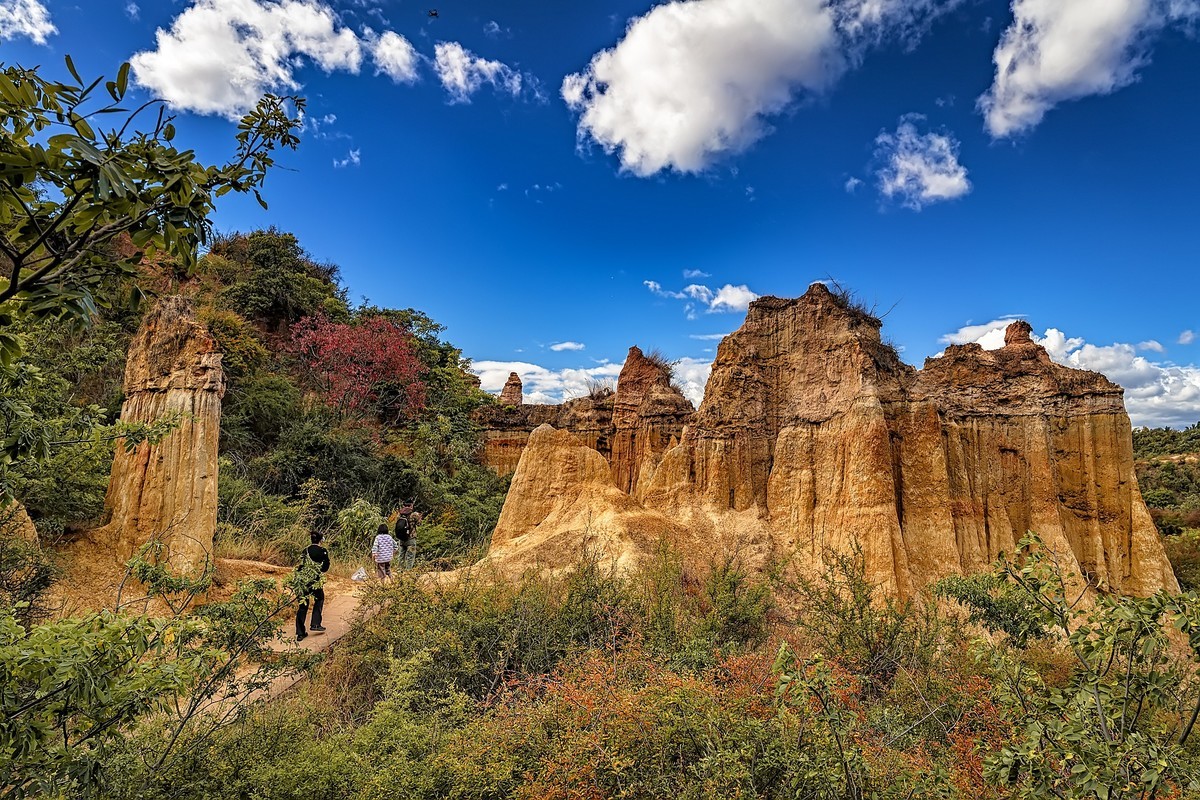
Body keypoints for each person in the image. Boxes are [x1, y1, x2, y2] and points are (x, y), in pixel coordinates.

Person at [296, 531, 330, 642]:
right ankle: (315, 623)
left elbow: (300, 564)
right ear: (321, 540)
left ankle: (300, 633)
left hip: (302, 581)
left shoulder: (305, 551)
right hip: (314, 581)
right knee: (319, 599)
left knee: (302, 606)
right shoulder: (322, 551)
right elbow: (325, 568)